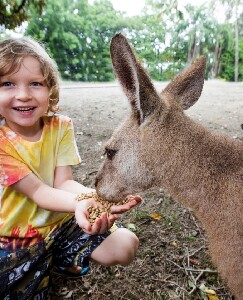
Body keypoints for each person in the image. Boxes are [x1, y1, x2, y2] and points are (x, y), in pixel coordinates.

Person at [0, 36, 141, 299]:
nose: (23, 94)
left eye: (35, 83)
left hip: (61, 223)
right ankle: (49, 260)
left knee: (126, 245)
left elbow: (62, 182)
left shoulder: (60, 125)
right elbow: (39, 192)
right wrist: (81, 203)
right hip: (18, 241)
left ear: (50, 88)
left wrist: (98, 200)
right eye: (8, 83)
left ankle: (63, 258)